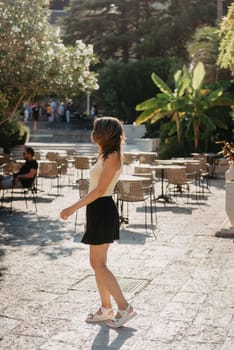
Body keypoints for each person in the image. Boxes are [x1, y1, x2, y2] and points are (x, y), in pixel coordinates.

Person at [60, 117, 137, 328]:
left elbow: (100, 190)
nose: (92, 132)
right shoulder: (106, 154)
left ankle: (124, 307)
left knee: (99, 264)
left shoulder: (112, 156)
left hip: (103, 208)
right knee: (97, 264)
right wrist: (88, 217)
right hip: (98, 210)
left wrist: (72, 208)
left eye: (95, 128)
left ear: (103, 133)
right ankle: (106, 308)